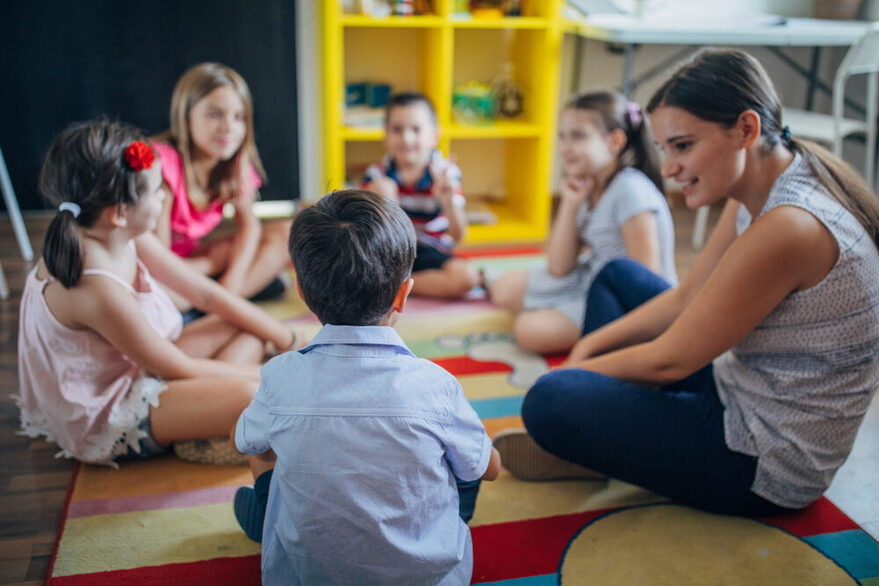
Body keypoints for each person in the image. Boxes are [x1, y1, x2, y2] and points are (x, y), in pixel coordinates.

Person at [493, 49, 879, 516]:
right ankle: (609, 433)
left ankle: (602, 435)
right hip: (735, 383)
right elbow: (686, 297)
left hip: (763, 459)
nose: (670, 169)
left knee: (549, 400)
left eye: (683, 145)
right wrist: (584, 353)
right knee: (616, 277)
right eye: (664, 149)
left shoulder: (790, 226)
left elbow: (668, 362)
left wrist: (574, 374)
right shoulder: (767, 181)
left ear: (746, 130)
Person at [231, 190, 502, 584]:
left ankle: (269, 514)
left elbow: (246, 443)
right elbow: (489, 469)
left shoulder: (280, 375)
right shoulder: (436, 385)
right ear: (403, 295)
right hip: (425, 578)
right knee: (462, 460)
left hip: (308, 574)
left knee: (265, 440)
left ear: (303, 293)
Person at [16, 120, 299, 468]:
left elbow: (207, 296)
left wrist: (288, 340)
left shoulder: (118, 232)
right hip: (116, 408)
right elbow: (174, 365)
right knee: (255, 395)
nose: (164, 197)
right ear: (119, 213)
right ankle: (206, 421)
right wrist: (281, 375)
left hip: (141, 366)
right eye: (155, 192)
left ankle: (206, 419)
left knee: (250, 328)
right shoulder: (95, 286)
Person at [489, 91, 677, 355]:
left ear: (615, 141)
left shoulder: (630, 190)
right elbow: (559, 266)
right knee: (504, 289)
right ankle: (557, 311)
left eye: (577, 136)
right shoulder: (589, 183)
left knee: (528, 330)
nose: (565, 147)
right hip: (588, 278)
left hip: (622, 298)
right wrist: (570, 204)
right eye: (562, 137)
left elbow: (646, 281)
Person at [151, 62, 291, 313]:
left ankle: (220, 305)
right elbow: (157, 260)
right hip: (160, 271)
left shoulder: (234, 166)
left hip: (194, 269)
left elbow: (250, 227)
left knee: (285, 233)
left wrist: (232, 280)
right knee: (164, 287)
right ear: (186, 115)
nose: (228, 127)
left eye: (238, 117)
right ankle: (218, 307)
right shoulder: (163, 164)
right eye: (215, 114)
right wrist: (211, 263)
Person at [363, 91, 481, 299]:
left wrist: (449, 202)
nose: (407, 138)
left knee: (467, 278)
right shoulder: (377, 174)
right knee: (382, 188)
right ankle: (396, 283)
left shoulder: (445, 174)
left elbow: (458, 236)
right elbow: (368, 234)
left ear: (434, 136)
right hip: (391, 253)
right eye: (397, 129)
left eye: (416, 129)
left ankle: (396, 287)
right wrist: (384, 200)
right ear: (385, 135)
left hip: (431, 250)